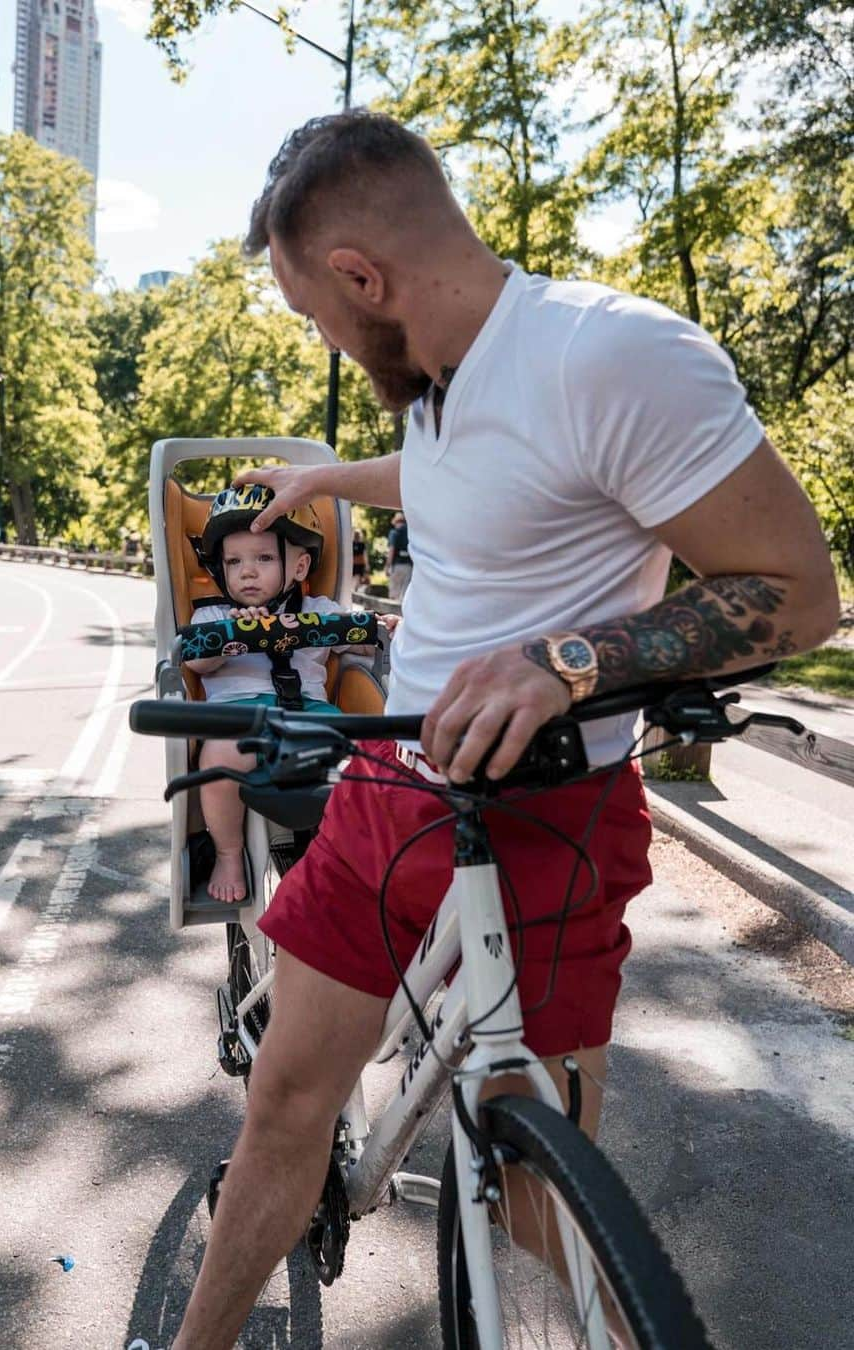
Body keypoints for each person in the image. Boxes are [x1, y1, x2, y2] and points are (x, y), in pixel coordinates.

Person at [168, 110, 840, 1350]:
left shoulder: (613, 357)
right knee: (282, 1113)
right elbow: (462, 479)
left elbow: (798, 592)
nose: (324, 335)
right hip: (387, 795)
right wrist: (327, 480)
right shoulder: (440, 388)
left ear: (363, 279)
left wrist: (572, 658)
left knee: (542, 1194)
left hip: (555, 819)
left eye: (318, 313)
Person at [183, 483, 352, 903]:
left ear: (298, 566)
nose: (248, 571)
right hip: (238, 720)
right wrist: (235, 635)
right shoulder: (214, 614)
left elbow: (360, 637)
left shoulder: (320, 611)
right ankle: (227, 852)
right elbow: (196, 662)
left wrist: (380, 629)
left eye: (263, 558)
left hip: (312, 716)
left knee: (362, 761)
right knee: (219, 757)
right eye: (234, 561)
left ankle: (348, 856)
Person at [386, 509, 412, 599]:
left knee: (394, 593)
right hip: (409, 566)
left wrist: (387, 566)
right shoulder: (410, 533)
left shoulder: (394, 533)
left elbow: (391, 550)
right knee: (405, 595)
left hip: (397, 565)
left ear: (395, 522)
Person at [350, 525, 369, 593]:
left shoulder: (351, 544)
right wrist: (367, 565)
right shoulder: (362, 544)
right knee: (358, 577)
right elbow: (365, 555)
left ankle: (353, 589)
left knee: (353, 577)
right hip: (360, 563)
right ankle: (354, 589)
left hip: (353, 563)